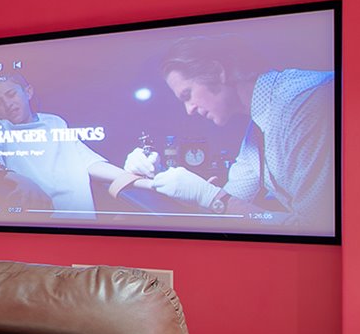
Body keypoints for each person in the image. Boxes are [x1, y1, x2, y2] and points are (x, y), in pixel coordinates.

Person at [122, 36, 336, 230]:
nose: (189, 110)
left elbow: (314, 228)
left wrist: (211, 196)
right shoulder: (257, 133)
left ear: (217, 72)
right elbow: (230, 206)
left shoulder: (305, 103)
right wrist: (158, 175)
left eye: (188, 94)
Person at [0, 70, 138, 218]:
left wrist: (141, 180)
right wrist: (18, 178)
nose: (7, 104)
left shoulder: (55, 122)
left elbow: (89, 162)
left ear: (28, 92)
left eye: (11, 94)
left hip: (82, 224)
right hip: (40, 224)